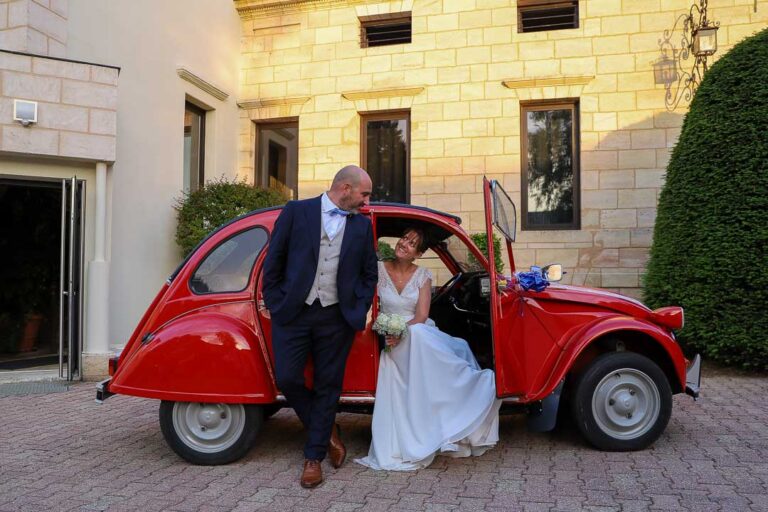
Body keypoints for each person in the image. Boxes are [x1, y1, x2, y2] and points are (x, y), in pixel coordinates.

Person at [262, 165, 378, 488]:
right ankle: (326, 430)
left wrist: (358, 307)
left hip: (336, 318)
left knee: (329, 385)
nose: (367, 201)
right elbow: (274, 261)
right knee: (287, 378)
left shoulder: (361, 225)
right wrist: (275, 301)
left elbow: (369, 273)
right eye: (364, 194)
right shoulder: (296, 211)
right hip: (293, 313)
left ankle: (313, 458)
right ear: (345, 188)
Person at [356, 227, 502, 471]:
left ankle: (466, 393)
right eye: (404, 238)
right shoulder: (379, 269)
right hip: (388, 335)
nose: (404, 244)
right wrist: (386, 331)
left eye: (412, 243)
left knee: (447, 342)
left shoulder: (423, 275)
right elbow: (371, 306)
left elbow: (421, 315)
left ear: (418, 254)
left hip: (414, 330)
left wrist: (401, 332)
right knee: (428, 339)